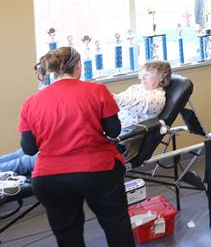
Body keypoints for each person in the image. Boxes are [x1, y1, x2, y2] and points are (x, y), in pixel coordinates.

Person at [18, 47, 159, 247]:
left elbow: (29, 148)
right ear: (79, 66)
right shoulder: (96, 90)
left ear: (51, 70)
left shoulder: (31, 101)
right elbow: (114, 130)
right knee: (115, 223)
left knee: (67, 234)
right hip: (96, 171)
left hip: (49, 178)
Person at [1, 60, 172, 176]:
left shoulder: (156, 98)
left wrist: (110, 97)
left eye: (147, 75)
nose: (140, 78)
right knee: (24, 152)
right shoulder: (138, 87)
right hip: (103, 136)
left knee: (27, 161)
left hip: (121, 143)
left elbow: (140, 104)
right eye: (141, 74)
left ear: (161, 79)